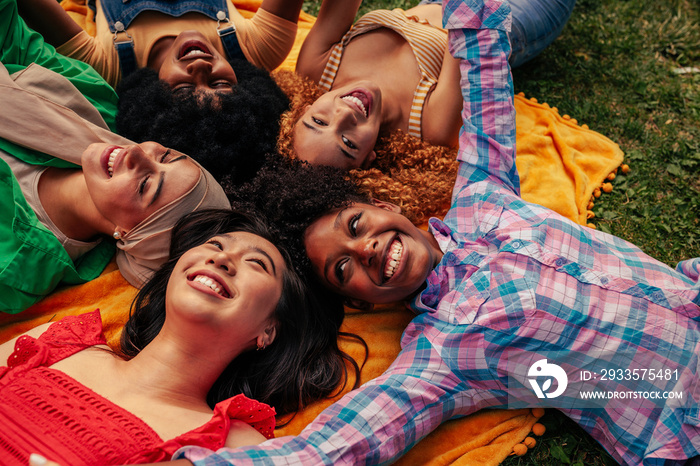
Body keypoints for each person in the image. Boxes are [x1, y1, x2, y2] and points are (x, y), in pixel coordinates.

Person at [167, 1, 700, 464]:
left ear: (383, 203)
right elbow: (340, 446)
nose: (366, 248)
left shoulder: (483, 195)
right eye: (343, 267)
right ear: (364, 304)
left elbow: (487, 73)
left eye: (355, 225)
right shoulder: (446, 355)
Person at [0, 208, 360, 465]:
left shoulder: (231, 446)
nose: (222, 260)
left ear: (268, 331)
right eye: (216, 246)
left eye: (257, 264)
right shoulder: (59, 340)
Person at [0, 2, 230, 314]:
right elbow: (11, 34)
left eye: (145, 185)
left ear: (131, 237)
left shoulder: (13, 269)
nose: (136, 152)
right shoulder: (98, 102)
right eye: (164, 154)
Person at [276, 0, 576, 169]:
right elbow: (471, 19)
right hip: (509, 16)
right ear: (369, 158)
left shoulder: (317, 69)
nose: (344, 114)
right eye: (349, 142)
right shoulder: (429, 126)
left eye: (318, 120)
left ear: (304, 108)